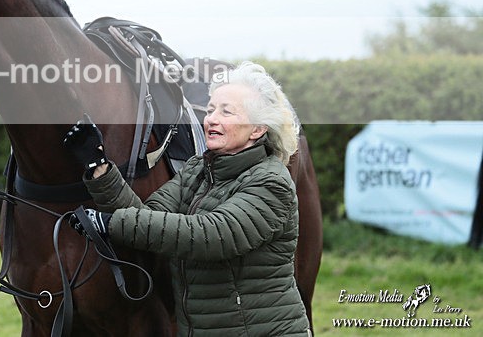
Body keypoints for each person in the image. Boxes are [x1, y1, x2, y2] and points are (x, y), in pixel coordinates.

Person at [63, 61, 311, 336]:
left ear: (257, 130)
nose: (212, 118)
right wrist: (99, 168)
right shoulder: (197, 170)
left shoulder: (271, 182)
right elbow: (145, 218)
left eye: (226, 112)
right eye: (211, 109)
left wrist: (109, 223)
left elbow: (210, 235)